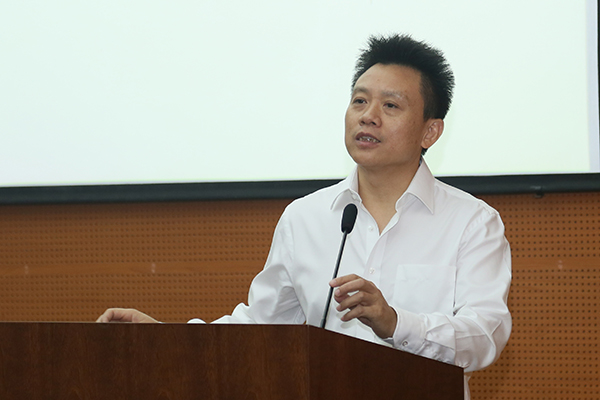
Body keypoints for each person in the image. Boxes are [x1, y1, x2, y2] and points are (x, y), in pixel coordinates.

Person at [98, 34, 512, 399]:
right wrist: (164, 337)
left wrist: (395, 322)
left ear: (430, 132)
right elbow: (261, 327)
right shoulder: (305, 218)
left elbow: (484, 336)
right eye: (360, 101)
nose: (368, 115)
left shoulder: (472, 222)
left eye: (390, 105)